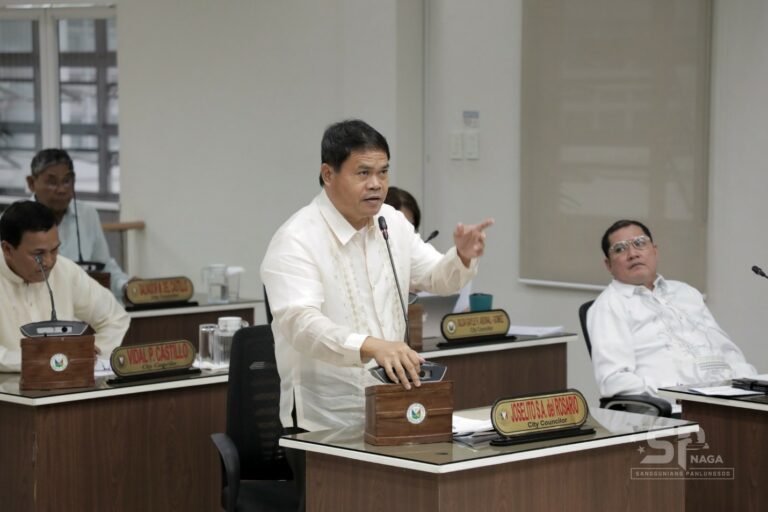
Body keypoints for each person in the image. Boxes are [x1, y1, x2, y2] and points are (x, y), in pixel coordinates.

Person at [261, 119, 492, 509]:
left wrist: (463, 257)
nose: (376, 184)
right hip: (325, 421)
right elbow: (300, 324)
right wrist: (371, 346)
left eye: (383, 172)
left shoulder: (392, 223)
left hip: (394, 406)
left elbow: (434, 276)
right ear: (328, 174)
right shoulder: (296, 239)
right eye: (363, 173)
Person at [587, 219, 755, 407]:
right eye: (620, 249)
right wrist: (670, 392)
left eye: (640, 243)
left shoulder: (686, 292)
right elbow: (614, 380)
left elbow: (728, 352)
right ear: (608, 265)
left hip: (730, 400)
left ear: (655, 251)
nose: (633, 253)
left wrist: (751, 384)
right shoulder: (609, 305)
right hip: (675, 410)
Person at [0, 200, 130, 372]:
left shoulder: (65, 269)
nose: (49, 262)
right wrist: (43, 359)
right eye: (38, 254)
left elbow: (115, 318)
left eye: (54, 250)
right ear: (8, 250)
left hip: (66, 386)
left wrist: (82, 355)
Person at [27, 148, 131, 299]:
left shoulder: (87, 215)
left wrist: (126, 286)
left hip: (83, 311)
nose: (61, 189)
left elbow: (104, 267)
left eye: (66, 181)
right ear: (31, 183)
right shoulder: (15, 220)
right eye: (52, 182)